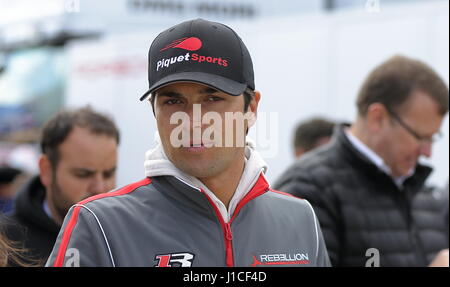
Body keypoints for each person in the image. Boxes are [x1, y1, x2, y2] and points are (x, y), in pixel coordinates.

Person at [46, 18, 330, 267]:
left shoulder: (300, 219)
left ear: (251, 108)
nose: (193, 120)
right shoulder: (99, 224)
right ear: (154, 111)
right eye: (173, 100)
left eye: (212, 98)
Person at [274, 55, 449, 267]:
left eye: (432, 138)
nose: (427, 152)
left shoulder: (422, 193)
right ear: (377, 118)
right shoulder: (308, 189)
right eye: (420, 136)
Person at [4, 106, 119, 265]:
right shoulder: (6, 246)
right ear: (46, 170)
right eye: (83, 174)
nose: (99, 187)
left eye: (108, 174)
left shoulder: (125, 235)